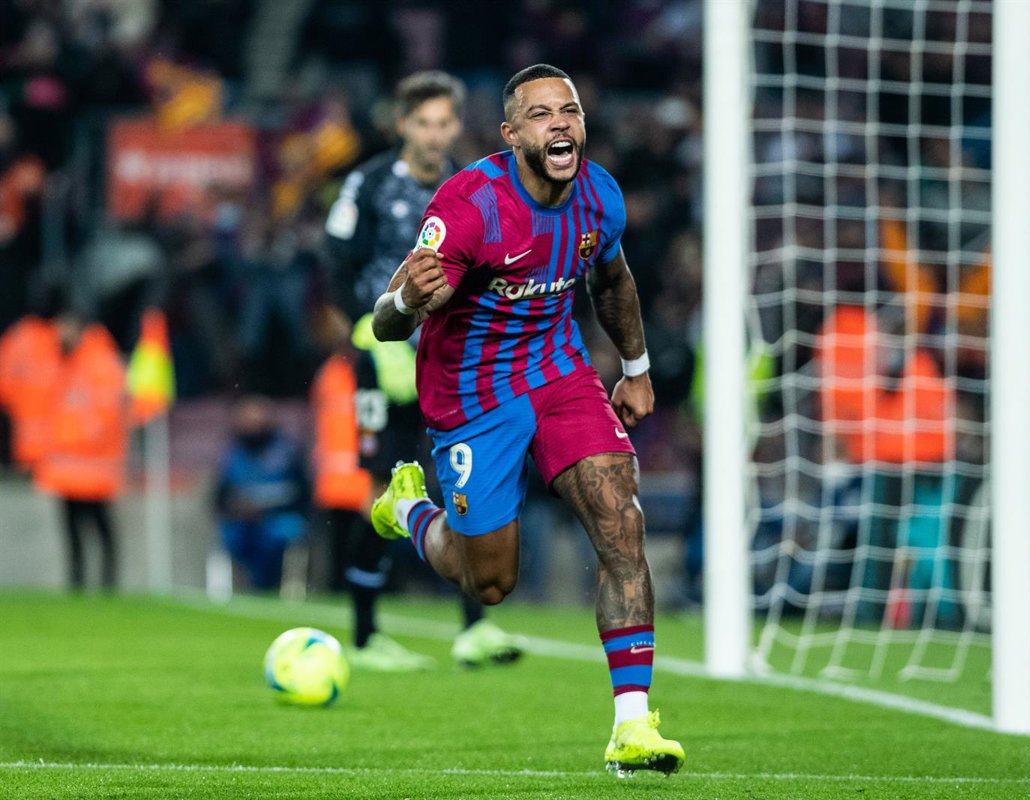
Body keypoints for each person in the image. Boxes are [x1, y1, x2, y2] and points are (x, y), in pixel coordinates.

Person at [368, 64, 685, 776]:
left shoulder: (600, 196)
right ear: (511, 135)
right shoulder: (470, 204)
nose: (560, 123)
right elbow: (387, 319)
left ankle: (632, 724)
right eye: (541, 115)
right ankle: (409, 509)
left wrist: (635, 369)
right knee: (490, 583)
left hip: (558, 372)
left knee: (621, 522)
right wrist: (407, 302)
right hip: (471, 394)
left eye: (569, 110)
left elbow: (612, 280)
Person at [325, 70, 523, 671]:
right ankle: (365, 635)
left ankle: (473, 627)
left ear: (456, 125)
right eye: (424, 123)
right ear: (403, 125)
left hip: (450, 359)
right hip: (382, 356)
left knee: (461, 485)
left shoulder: (471, 186)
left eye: (444, 123)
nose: (435, 135)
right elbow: (335, 265)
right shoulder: (368, 183)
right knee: (384, 488)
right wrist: (365, 329)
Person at [33, 310, 128, 589]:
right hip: (67, 466)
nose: (60, 334)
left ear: (80, 329)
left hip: (93, 464)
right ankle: (77, 580)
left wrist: (76, 438)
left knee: (100, 523)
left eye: (65, 328)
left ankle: (108, 581)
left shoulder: (101, 363)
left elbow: (106, 413)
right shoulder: (61, 362)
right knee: (71, 526)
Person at [214, 396, 311, 591]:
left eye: (257, 419)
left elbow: (302, 492)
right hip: (243, 521)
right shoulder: (232, 454)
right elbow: (219, 497)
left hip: (279, 517)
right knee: (233, 536)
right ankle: (247, 585)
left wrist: (268, 509)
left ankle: (278, 584)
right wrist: (238, 508)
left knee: (280, 534)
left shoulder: (287, 451)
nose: (252, 425)